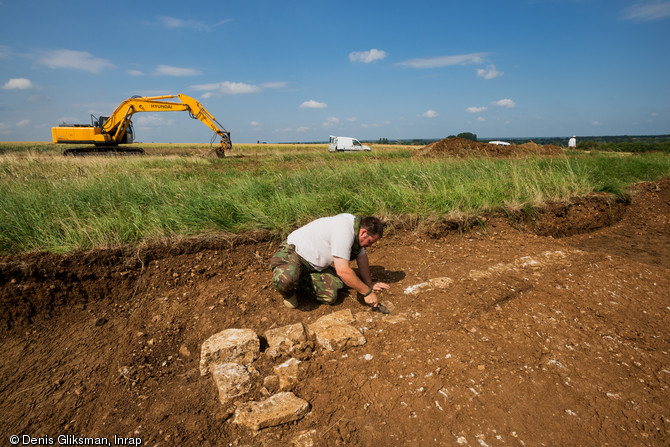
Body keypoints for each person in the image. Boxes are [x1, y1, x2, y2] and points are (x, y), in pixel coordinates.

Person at [270, 214, 390, 309]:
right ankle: (288, 292)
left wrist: (369, 283)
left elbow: (362, 257)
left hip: (315, 266)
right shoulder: (344, 231)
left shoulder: (357, 228)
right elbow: (342, 271)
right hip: (294, 254)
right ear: (363, 233)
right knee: (285, 279)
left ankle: (300, 279)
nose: (370, 246)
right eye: (370, 241)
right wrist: (367, 292)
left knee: (329, 296)